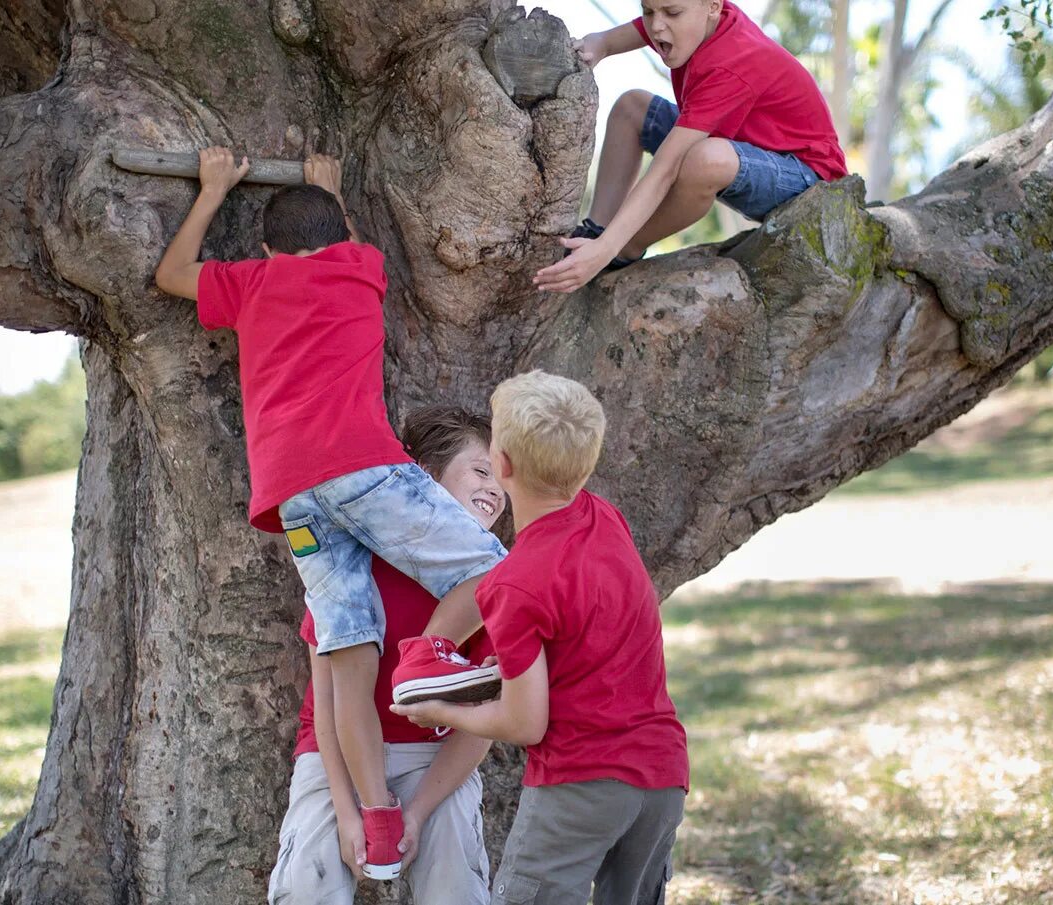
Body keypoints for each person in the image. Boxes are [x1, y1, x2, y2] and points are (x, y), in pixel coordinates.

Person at [153, 149, 504, 879]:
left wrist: (213, 189)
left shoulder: (250, 283)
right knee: (499, 571)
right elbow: (337, 236)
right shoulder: (361, 268)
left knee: (348, 648)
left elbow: (170, 274)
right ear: (341, 234)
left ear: (267, 249)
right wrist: (329, 188)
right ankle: (432, 655)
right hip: (360, 467)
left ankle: (376, 821)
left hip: (291, 495)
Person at [395, 371, 689, 905]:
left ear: (502, 466)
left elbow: (524, 721)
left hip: (580, 782)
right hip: (664, 777)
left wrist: (442, 710)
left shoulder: (514, 583)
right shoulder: (606, 519)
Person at [269, 405, 504, 904]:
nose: (496, 489)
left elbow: (483, 725)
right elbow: (327, 708)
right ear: (419, 481)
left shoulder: (489, 587)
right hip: (336, 755)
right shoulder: (349, 566)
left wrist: (417, 811)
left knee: (455, 882)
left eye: (503, 479)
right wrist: (350, 809)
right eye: (482, 471)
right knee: (308, 884)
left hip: (436, 758)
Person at [534, 0, 846, 293]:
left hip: (806, 178)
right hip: (746, 150)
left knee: (703, 159)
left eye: (671, 12)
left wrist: (609, 248)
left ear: (713, 6)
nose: (656, 26)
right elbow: (610, 39)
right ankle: (594, 231)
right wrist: (594, 46)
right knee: (632, 107)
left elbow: (665, 171)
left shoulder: (732, 62)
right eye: (648, 10)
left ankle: (621, 249)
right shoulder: (691, 19)